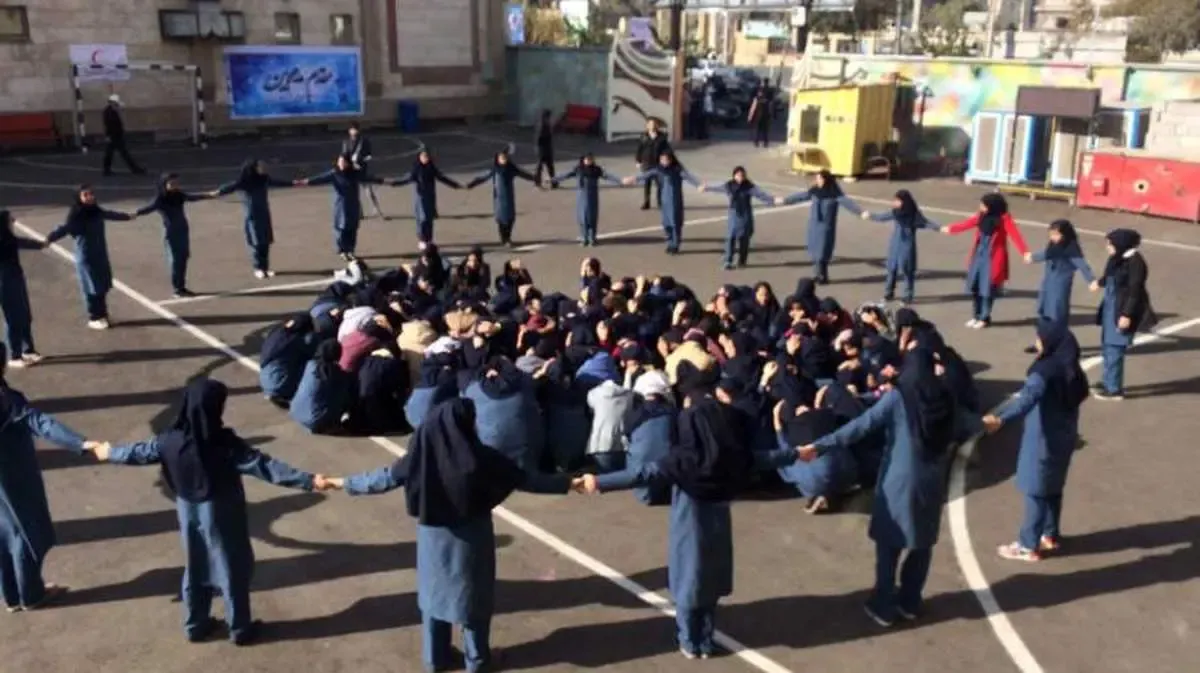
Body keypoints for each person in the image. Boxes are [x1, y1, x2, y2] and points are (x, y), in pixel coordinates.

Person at [323, 398, 573, 673]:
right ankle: (477, 661)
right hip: (471, 542)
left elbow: (381, 479)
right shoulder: (481, 459)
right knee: (473, 603)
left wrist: (341, 483)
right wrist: (569, 483)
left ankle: (435, 658)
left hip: (432, 540)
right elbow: (527, 480)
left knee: (434, 599)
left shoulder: (420, 458)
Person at [579, 363, 804, 659]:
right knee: (712, 578)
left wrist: (599, 481)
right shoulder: (730, 457)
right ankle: (706, 640)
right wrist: (797, 453)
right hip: (719, 514)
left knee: (688, 576)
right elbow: (762, 458)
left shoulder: (682, 461)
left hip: (689, 516)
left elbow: (642, 474)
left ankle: (689, 639)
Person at [91, 379, 321, 644]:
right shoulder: (224, 444)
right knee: (231, 567)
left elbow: (136, 453)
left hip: (188, 512)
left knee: (195, 565)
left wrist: (108, 452)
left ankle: (195, 624)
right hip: (223, 514)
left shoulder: (169, 440)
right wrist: (309, 480)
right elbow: (264, 466)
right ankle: (239, 627)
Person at [798, 348, 983, 627]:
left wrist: (820, 446)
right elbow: (969, 425)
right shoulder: (945, 397)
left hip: (899, 479)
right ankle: (910, 601)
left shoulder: (899, 397)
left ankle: (883, 605)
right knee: (922, 544)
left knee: (889, 545)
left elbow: (861, 426)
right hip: (932, 479)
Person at [0, 344, 103, 612]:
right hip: (14, 476)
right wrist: (80, 443)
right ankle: (30, 593)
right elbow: (41, 423)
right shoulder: (8, 401)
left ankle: (11, 595)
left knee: (3, 533)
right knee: (26, 530)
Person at [983, 320, 1089, 561]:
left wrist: (1001, 419)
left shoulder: (1043, 372)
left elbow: (1027, 398)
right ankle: (1049, 534)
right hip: (1065, 436)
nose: (1037, 342)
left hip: (1042, 438)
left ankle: (1027, 544)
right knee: (1053, 488)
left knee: (1035, 490)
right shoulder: (1072, 369)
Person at [45, 185, 134, 329]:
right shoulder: (77, 215)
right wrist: (49, 239)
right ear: (79, 198)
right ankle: (94, 317)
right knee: (91, 286)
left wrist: (128, 216)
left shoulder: (96, 211)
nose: (90, 197)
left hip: (100, 254)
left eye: (91, 194)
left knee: (102, 285)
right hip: (86, 256)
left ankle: (103, 315)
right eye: (85, 195)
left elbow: (110, 214)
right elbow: (64, 229)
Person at [941, 193, 1030, 329]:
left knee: (987, 289)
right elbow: (967, 224)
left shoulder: (1004, 219)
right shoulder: (981, 216)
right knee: (976, 286)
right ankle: (975, 315)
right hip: (978, 255)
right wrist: (951, 229)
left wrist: (1025, 252)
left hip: (993, 258)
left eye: (983, 205)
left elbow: (1015, 235)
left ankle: (985, 318)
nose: (980, 206)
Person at [1092, 228, 1156, 401]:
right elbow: (1110, 275)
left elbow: (1135, 291)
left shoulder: (1136, 263)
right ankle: (1107, 381)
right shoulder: (1118, 258)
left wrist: (1126, 314)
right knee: (1107, 346)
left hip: (1121, 310)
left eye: (1110, 244)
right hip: (1111, 308)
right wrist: (1100, 283)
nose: (1107, 247)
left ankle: (1114, 390)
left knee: (1115, 348)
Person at [212, 159, 299, 279]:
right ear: (253, 168)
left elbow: (279, 182)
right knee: (256, 242)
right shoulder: (244, 182)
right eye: (260, 166)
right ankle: (258, 268)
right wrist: (217, 192)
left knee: (266, 241)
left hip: (264, 214)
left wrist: (293, 183)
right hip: (252, 216)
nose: (263, 168)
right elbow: (230, 187)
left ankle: (265, 268)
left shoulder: (264, 179)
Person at [1019, 219, 1096, 351]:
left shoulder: (1071, 250)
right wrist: (1032, 257)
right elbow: (1045, 254)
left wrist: (1091, 280)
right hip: (1047, 285)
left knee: (1057, 316)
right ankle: (1040, 343)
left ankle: (1057, 345)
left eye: (1056, 234)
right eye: (1051, 234)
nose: (1053, 237)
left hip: (1060, 286)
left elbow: (1083, 266)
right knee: (1043, 313)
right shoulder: (1053, 247)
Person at [134, 173, 214, 298]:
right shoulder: (160, 199)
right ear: (164, 185)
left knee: (184, 257)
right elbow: (148, 208)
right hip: (171, 232)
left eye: (176, 183)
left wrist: (207, 195)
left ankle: (181, 286)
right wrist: (134, 214)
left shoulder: (179, 195)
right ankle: (177, 288)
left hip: (183, 229)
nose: (175, 186)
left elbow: (192, 197)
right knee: (176, 260)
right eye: (172, 184)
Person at [297, 153, 389, 261]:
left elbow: (368, 178)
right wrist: (304, 182)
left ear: (348, 163)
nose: (341, 164)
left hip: (353, 205)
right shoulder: (334, 174)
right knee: (341, 229)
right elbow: (319, 179)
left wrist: (385, 181)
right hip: (341, 206)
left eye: (343, 162)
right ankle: (342, 251)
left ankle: (350, 250)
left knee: (352, 228)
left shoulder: (355, 174)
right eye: (339, 161)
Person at [781, 170, 864, 284]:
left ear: (826, 180)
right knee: (814, 251)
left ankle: (823, 276)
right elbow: (801, 196)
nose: (817, 181)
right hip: (814, 225)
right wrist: (786, 200)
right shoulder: (815, 191)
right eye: (817, 178)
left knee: (822, 253)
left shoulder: (834, 194)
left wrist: (860, 212)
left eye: (820, 178)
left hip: (826, 228)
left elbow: (848, 203)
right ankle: (818, 274)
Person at [859, 190, 940, 305]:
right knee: (891, 269)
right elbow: (881, 217)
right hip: (895, 244)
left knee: (907, 270)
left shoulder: (915, 215)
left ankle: (908, 296)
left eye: (897, 201)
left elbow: (927, 223)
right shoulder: (896, 213)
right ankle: (889, 293)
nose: (894, 203)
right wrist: (870, 215)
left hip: (907, 246)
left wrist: (940, 228)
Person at [698, 166, 781, 270]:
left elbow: (760, 194)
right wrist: (706, 188)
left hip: (746, 215)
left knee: (744, 239)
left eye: (742, 175)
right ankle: (728, 261)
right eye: (738, 175)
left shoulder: (749, 187)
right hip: (734, 215)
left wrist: (772, 200)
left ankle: (742, 261)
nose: (740, 178)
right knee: (730, 238)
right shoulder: (729, 186)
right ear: (734, 176)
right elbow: (718, 188)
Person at [623, 151, 700, 255]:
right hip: (664, 200)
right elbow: (646, 175)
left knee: (675, 223)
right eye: (662, 160)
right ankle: (669, 242)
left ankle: (675, 244)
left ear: (671, 160)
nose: (663, 162)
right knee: (666, 223)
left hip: (675, 201)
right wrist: (633, 179)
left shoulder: (677, 170)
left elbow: (689, 177)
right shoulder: (659, 170)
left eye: (666, 160)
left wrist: (698, 185)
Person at [465, 147, 540, 247]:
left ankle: (507, 237)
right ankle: (504, 239)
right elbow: (482, 178)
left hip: (509, 197)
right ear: (497, 159)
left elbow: (523, 174)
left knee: (511, 219)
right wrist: (471, 184)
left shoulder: (511, 168)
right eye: (502, 158)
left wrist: (534, 178)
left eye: (505, 158)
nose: (504, 159)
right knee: (501, 219)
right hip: (499, 199)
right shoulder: (495, 170)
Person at [390, 146, 462, 249]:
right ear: (419, 156)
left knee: (429, 219)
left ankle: (429, 239)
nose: (425, 158)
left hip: (430, 196)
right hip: (420, 197)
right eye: (423, 156)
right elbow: (406, 179)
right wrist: (393, 183)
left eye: (427, 156)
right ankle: (422, 239)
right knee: (422, 219)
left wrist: (456, 185)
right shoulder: (416, 169)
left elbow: (442, 178)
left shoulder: (431, 167)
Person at [0, 210, 43, 367]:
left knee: (24, 314)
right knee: (13, 318)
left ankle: (28, 349)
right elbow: (22, 243)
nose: (13, 222)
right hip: (4, 282)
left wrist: (41, 244)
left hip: (16, 278)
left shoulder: (9, 239)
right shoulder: (4, 241)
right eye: (10, 220)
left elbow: (23, 242)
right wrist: (42, 244)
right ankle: (15, 355)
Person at [551, 153, 622, 247]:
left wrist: (619, 180)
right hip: (581, 197)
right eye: (587, 159)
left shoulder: (596, 170)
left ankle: (592, 238)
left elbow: (607, 176)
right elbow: (566, 175)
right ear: (583, 160)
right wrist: (553, 179)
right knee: (582, 218)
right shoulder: (578, 169)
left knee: (592, 218)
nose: (589, 161)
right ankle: (584, 238)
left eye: (591, 159)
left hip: (592, 196)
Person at [289, 339, 356, 433]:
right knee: (345, 390)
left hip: (296, 412)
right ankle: (332, 423)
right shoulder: (332, 371)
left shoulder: (310, 364)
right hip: (316, 420)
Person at [258, 312, 319, 407]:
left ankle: (278, 392)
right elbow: (312, 353)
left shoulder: (277, 333)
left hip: (265, 380)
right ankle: (289, 393)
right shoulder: (295, 341)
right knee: (311, 366)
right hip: (279, 383)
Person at [342, 122, 386, 219]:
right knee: (355, 194)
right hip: (351, 171)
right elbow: (344, 156)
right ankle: (360, 213)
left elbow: (369, 155)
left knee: (369, 192)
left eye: (356, 129)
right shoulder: (346, 142)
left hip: (362, 170)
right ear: (349, 131)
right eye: (353, 129)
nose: (355, 131)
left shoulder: (364, 141)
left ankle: (378, 211)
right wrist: (350, 163)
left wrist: (362, 159)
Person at [101, 94, 145, 176]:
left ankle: (107, 170)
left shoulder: (111, 110)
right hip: (114, 136)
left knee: (113, 153)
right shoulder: (108, 112)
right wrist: (108, 135)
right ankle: (134, 169)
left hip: (116, 135)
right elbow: (109, 124)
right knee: (119, 153)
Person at [634, 120, 670, 210]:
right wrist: (638, 161)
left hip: (658, 164)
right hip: (647, 163)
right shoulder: (644, 137)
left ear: (657, 126)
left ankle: (660, 202)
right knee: (647, 184)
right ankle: (646, 202)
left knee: (660, 184)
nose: (652, 126)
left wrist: (666, 159)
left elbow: (666, 149)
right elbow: (639, 149)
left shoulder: (662, 137)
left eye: (654, 125)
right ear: (647, 126)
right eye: (650, 125)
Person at [533, 109, 556, 185]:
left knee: (549, 166)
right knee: (541, 166)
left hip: (547, 149)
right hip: (542, 150)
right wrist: (540, 151)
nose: (551, 119)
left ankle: (553, 182)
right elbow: (538, 140)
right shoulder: (542, 126)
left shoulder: (547, 125)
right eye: (549, 117)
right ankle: (537, 181)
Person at [747, 81, 773, 148]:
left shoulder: (757, 99)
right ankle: (765, 143)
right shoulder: (767, 101)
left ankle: (757, 142)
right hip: (764, 117)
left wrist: (749, 117)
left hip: (758, 117)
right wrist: (770, 116)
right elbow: (770, 109)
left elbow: (752, 109)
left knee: (758, 130)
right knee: (764, 130)